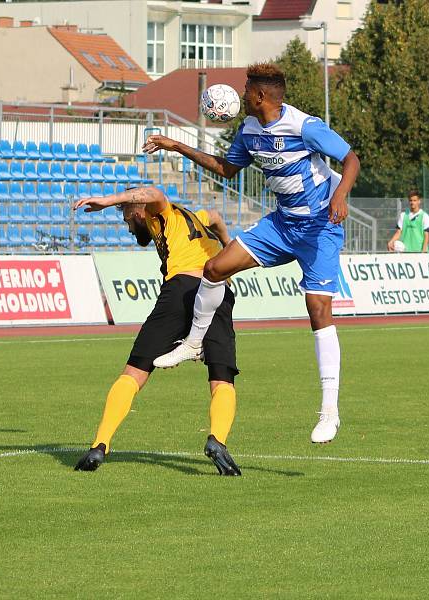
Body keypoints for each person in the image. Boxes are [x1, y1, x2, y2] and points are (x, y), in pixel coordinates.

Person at [143, 63, 360, 444]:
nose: (242, 95)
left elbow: (351, 159)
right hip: (282, 223)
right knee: (214, 268)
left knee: (318, 309)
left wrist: (340, 195)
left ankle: (330, 412)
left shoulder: (304, 126)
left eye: (247, 91)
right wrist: (177, 146)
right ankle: (194, 343)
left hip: (321, 226)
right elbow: (226, 169)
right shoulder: (248, 130)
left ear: (261, 96)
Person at [71, 186, 242, 476]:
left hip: (183, 289)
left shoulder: (158, 212)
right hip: (218, 292)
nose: (128, 227)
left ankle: (100, 444)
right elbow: (214, 216)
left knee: (134, 372)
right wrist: (228, 251)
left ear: (137, 208)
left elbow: (154, 191)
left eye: (126, 217)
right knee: (222, 377)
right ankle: (218, 441)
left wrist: (110, 200)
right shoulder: (189, 216)